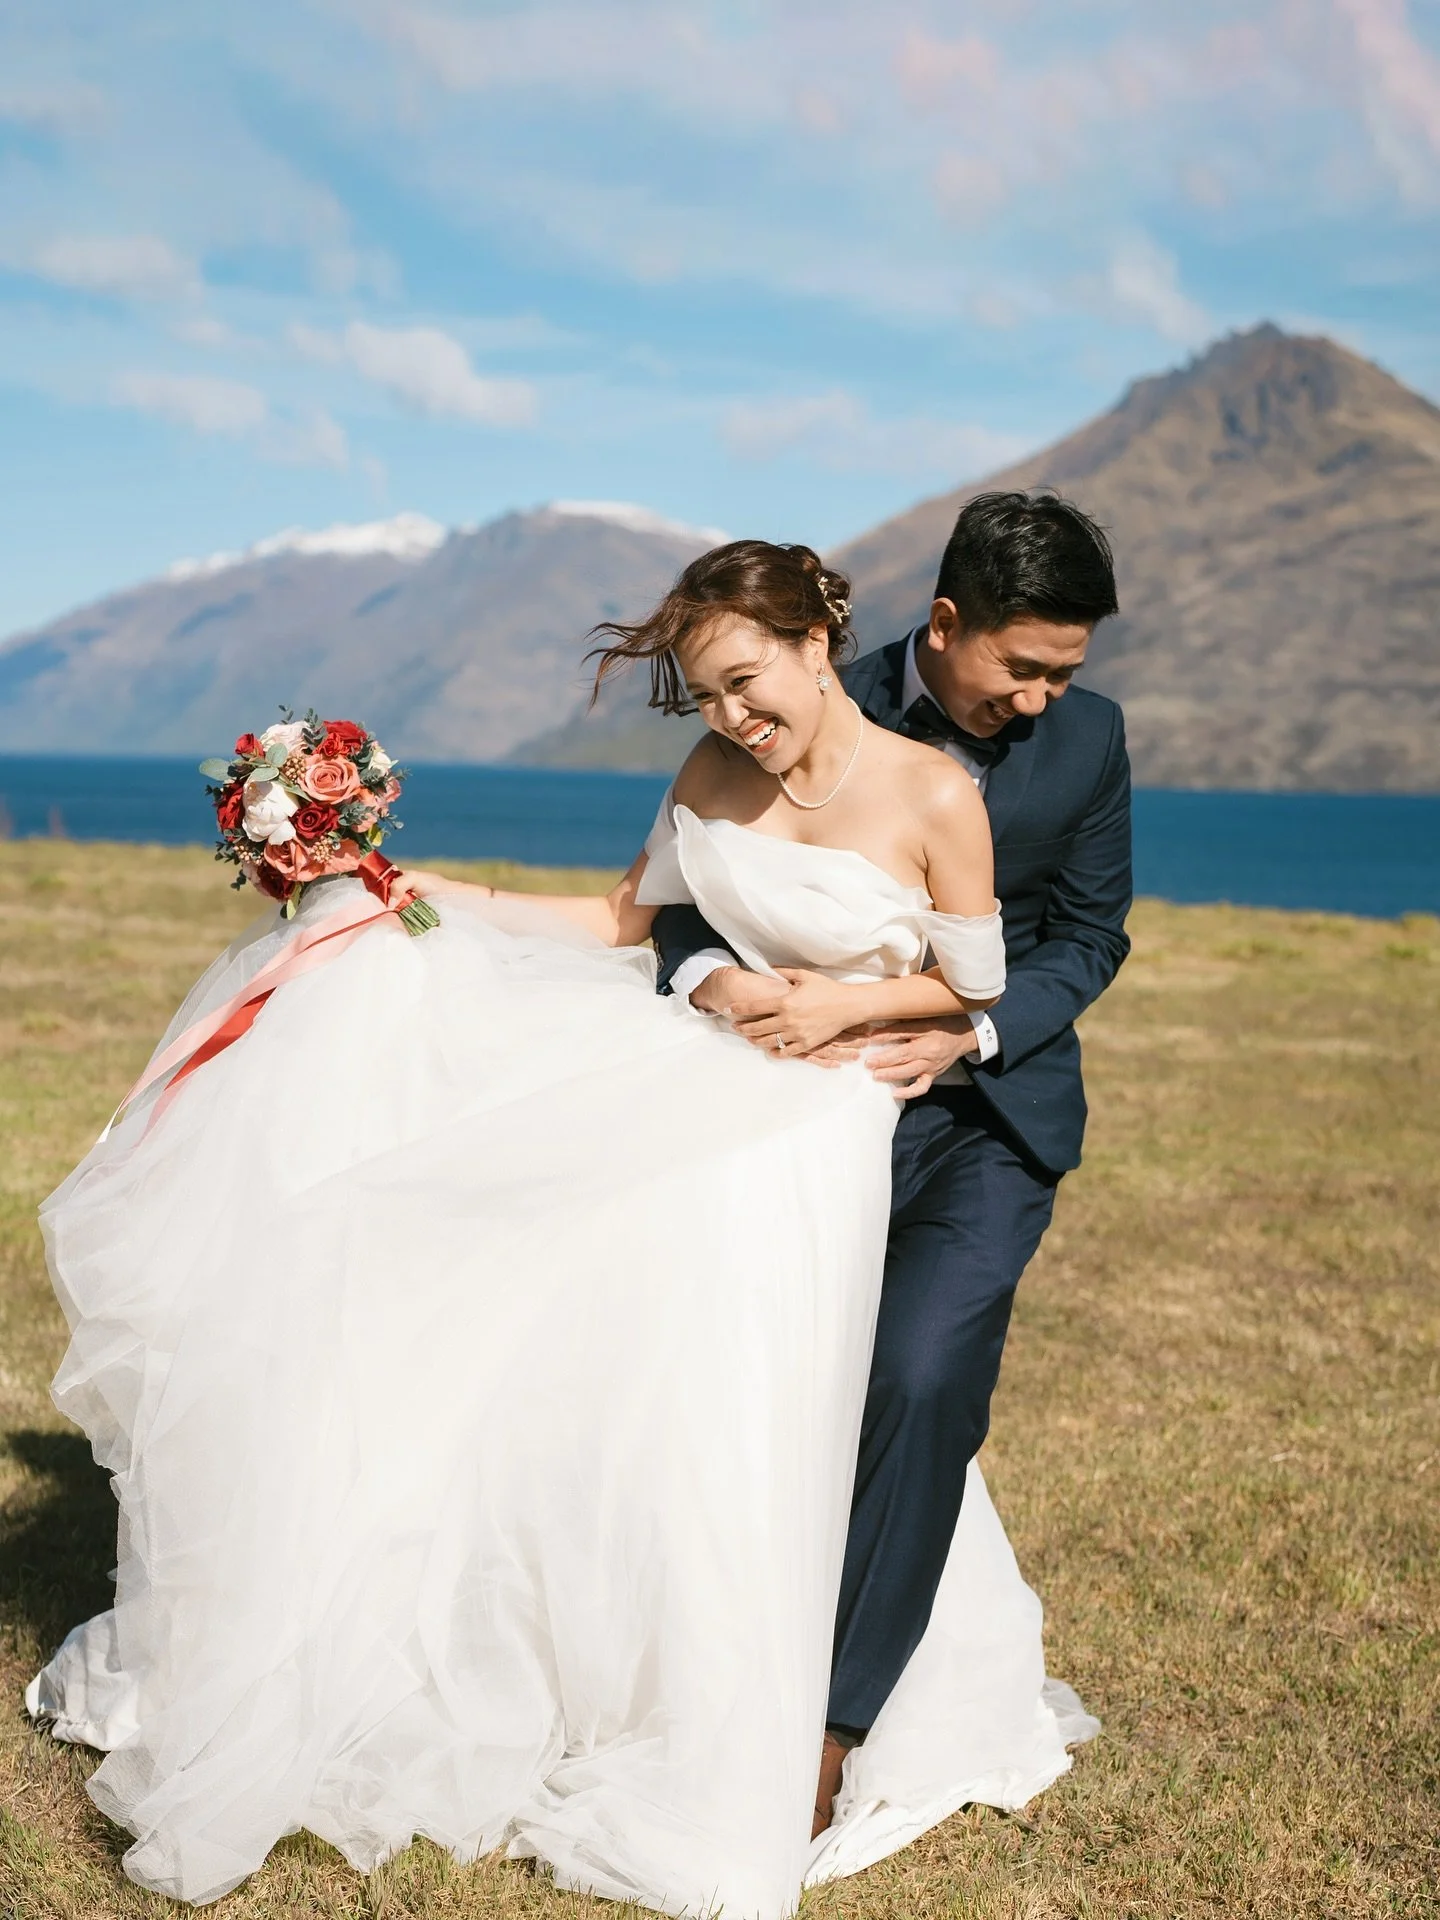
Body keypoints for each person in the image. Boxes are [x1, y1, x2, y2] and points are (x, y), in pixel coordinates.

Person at [27, 540, 1093, 1919]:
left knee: (746, 1381)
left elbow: (975, 984)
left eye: (749, 685)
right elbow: (617, 919)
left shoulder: (935, 791)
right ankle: (586, 1663)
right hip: (709, 1072)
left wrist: (844, 1011)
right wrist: (404, 896)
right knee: (552, 1295)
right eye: (706, 697)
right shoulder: (711, 776)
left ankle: (760, 1698)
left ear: (821, 643)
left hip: (825, 1120)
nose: (733, 721)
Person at [654, 493, 1131, 1831]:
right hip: (789, 1115)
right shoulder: (795, 696)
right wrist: (709, 984)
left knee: (921, 1379)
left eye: (1064, 673)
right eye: (1019, 668)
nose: (1039, 700)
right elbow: (681, 900)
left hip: (989, 1120)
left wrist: (968, 1032)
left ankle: (830, 1728)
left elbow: (1089, 940)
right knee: (749, 1384)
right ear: (943, 624)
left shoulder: (1089, 742)